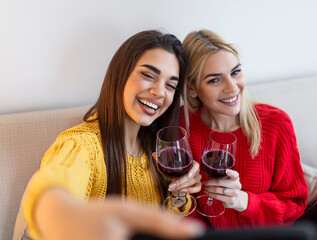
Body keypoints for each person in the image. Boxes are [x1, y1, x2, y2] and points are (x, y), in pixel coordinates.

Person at [19, 30, 203, 240]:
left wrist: (179, 191)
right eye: (148, 75)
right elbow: (52, 192)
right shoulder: (81, 145)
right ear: (120, 74)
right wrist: (63, 218)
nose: (160, 92)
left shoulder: (157, 150)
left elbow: (159, 224)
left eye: (171, 85)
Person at [181, 29, 317, 240]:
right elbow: (180, 213)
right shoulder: (181, 130)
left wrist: (244, 201)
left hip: (280, 234)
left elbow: (294, 205)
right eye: (214, 80)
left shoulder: (275, 123)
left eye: (235, 72)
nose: (232, 87)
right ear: (192, 87)